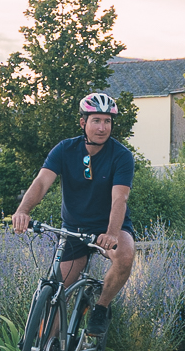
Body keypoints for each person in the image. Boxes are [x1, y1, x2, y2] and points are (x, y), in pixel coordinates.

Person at [10, 92, 136, 336]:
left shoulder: (121, 156)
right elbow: (41, 183)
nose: (102, 127)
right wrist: (23, 210)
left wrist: (111, 233)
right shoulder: (65, 150)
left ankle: (101, 307)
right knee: (57, 294)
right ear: (83, 123)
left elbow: (120, 198)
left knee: (126, 256)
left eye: (107, 121)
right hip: (74, 230)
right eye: (96, 120)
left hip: (108, 227)